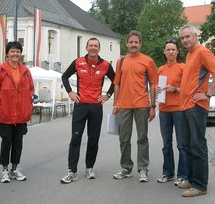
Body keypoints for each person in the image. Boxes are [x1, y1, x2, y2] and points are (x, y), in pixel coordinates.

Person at [178, 24, 215, 197]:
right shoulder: (190, 55)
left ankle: (200, 186)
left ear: (195, 36)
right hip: (185, 106)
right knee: (188, 146)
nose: (185, 40)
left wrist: (208, 94)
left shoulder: (202, 52)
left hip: (196, 107)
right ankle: (191, 179)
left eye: (187, 37)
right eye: (182, 38)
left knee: (197, 146)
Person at [60, 37, 115, 184]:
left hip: (96, 107)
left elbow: (116, 81)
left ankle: (89, 168)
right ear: (86, 48)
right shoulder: (78, 62)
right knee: (76, 138)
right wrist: (70, 92)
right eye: (90, 45)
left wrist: (107, 95)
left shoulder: (104, 65)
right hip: (81, 105)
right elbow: (64, 76)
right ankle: (72, 171)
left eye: (95, 46)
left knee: (93, 139)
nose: (93, 48)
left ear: (99, 48)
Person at [112, 30, 158, 182]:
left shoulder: (148, 61)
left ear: (140, 44)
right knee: (124, 138)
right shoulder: (121, 61)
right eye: (131, 42)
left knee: (142, 138)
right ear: (127, 44)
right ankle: (126, 167)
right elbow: (117, 84)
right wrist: (115, 104)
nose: (133, 44)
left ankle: (143, 168)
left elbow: (153, 84)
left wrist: (152, 106)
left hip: (142, 104)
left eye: (136, 42)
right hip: (124, 105)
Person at [0, 41, 34, 183]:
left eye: (18, 51)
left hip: (21, 115)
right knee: (6, 142)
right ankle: (4, 170)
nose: (15, 54)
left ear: (20, 54)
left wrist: (28, 107)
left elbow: (30, 91)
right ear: (7, 53)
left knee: (18, 142)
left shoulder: (25, 71)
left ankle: (15, 169)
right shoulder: (0, 70)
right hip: (5, 115)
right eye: (12, 51)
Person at [156, 39, 188, 186]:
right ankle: (168, 173)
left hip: (179, 110)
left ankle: (183, 175)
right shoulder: (160, 69)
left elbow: (188, 89)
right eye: (168, 49)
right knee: (166, 144)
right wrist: (157, 90)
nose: (170, 52)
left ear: (177, 51)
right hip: (164, 110)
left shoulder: (183, 67)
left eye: (173, 49)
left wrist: (174, 89)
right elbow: (157, 87)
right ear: (164, 52)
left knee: (181, 144)